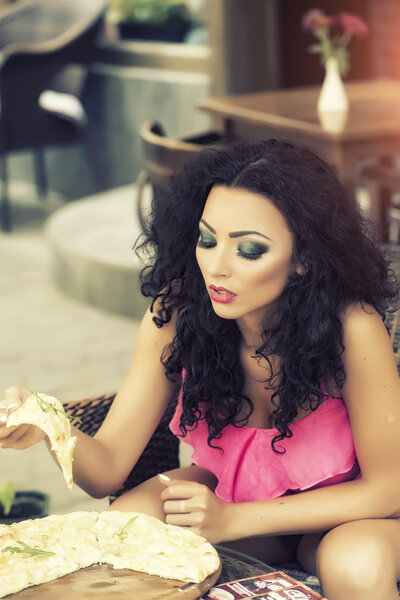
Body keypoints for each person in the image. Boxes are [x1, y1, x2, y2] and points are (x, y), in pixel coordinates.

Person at [1, 139, 399, 600]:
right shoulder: (175, 316)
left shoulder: (352, 328)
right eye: (207, 240)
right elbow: (105, 472)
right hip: (232, 497)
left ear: (304, 260)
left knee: (352, 563)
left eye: (249, 250)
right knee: (120, 531)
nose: (216, 266)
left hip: (350, 512)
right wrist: (50, 427)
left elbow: (387, 489)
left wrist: (234, 519)